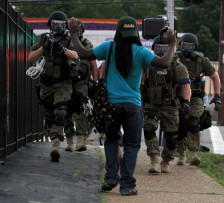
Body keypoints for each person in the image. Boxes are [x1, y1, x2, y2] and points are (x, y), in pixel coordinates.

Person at [69, 16, 177, 196]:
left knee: (111, 140)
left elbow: (83, 54)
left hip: (110, 105)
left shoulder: (109, 48)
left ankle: (111, 177)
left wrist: (73, 34)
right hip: (133, 106)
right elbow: (164, 63)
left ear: (118, 32)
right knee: (132, 145)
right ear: (135, 33)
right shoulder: (141, 52)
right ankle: (126, 184)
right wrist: (172, 44)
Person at [28, 11, 79, 162]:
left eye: (62, 25)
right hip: (46, 84)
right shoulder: (43, 38)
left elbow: (76, 56)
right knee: (49, 117)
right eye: (56, 24)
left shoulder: (68, 39)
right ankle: (54, 139)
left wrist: (61, 49)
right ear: (50, 25)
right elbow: (30, 58)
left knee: (60, 113)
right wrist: (44, 48)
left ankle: (56, 146)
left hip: (63, 83)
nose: (58, 27)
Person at [142, 35, 191, 173]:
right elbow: (140, 81)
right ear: (154, 48)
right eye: (158, 48)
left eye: (165, 48)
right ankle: (154, 159)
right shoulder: (148, 64)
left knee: (171, 138)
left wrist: (186, 101)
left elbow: (186, 86)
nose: (161, 51)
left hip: (170, 106)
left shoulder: (177, 66)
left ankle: (166, 160)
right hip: (152, 104)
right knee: (148, 128)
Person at [175, 33, 221, 166]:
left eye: (190, 46)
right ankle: (181, 153)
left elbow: (215, 77)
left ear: (195, 47)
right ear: (180, 45)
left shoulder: (202, 60)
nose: (187, 48)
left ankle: (194, 154)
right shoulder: (176, 58)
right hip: (178, 97)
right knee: (179, 125)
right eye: (185, 45)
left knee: (194, 122)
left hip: (195, 97)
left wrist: (217, 96)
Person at [64, 20, 98, 152]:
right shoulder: (67, 42)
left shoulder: (86, 44)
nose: (76, 32)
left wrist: (95, 83)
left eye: (78, 30)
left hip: (82, 81)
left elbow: (94, 64)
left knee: (81, 110)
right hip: (66, 81)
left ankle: (81, 139)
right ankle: (69, 139)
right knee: (65, 110)